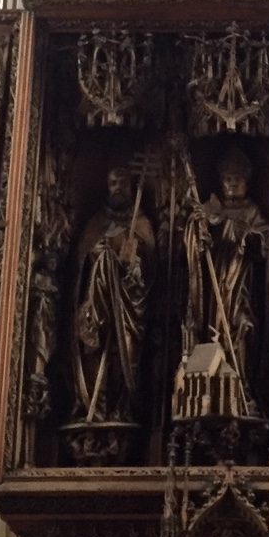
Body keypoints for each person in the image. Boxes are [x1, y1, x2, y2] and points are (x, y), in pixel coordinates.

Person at [183, 147, 269, 416]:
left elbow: (266, 244)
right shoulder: (211, 208)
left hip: (241, 283)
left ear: (247, 181)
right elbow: (192, 246)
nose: (233, 184)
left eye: (238, 179)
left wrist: (246, 237)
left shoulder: (252, 211)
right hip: (214, 288)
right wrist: (199, 233)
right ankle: (214, 387)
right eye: (228, 180)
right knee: (214, 332)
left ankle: (242, 386)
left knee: (243, 327)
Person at [72, 164, 155, 423]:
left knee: (127, 356)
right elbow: (79, 264)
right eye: (113, 183)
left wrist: (136, 256)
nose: (118, 188)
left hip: (129, 306)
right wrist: (101, 253)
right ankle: (95, 407)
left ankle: (123, 409)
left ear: (131, 187)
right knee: (93, 352)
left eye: (122, 183)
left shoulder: (140, 222)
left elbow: (154, 268)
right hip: (98, 307)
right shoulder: (96, 223)